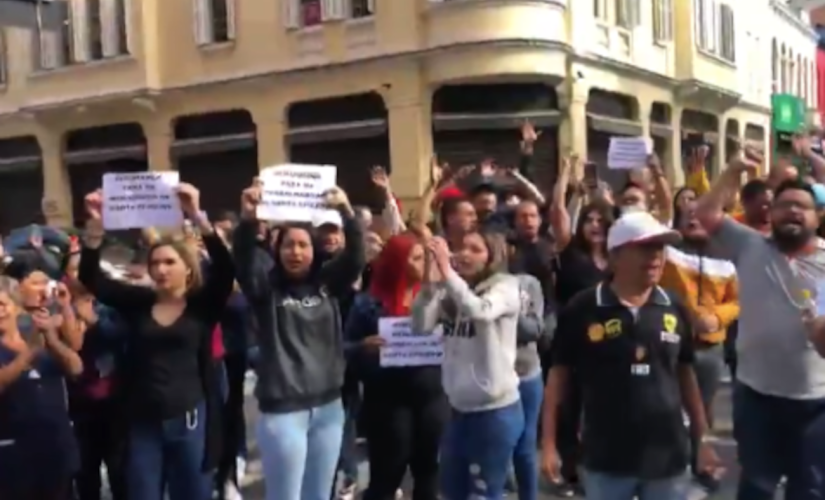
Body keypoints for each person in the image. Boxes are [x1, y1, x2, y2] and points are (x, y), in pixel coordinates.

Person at [541, 211, 721, 500]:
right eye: (644, 248)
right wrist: (549, 445)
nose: (655, 257)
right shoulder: (583, 307)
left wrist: (701, 440)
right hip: (605, 460)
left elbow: (686, 375)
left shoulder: (674, 305)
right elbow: (557, 379)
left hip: (668, 458)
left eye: (660, 248)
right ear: (614, 257)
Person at [78, 184, 235, 500]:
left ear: (188, 269)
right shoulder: (137, 303)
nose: (161, 270)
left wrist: (196, 214)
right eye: (155, 264)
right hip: (142, 425)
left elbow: (226, 269)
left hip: (190, 421)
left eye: (169, 263)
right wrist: (95, 225)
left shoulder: (202, 306)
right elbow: (91, 278)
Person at [696, 153, 825, 499]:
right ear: (771, 213)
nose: (793, 212)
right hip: (757, 396)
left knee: (810, 489)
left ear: (818, 217)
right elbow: (706, 214)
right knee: (757, 485)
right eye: (785, 205)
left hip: (815, 403)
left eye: (802, 206)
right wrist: (732, 170)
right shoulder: (751, 245)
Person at [233, 181, 364, 500]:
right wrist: (248, 221)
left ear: (314, 249)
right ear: (277, 251)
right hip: (283, 413)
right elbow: (243, 260)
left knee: (319, 495)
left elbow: (356, 257)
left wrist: (347, 212)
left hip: (329, 409)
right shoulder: (265, 289)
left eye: (303, 245)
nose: (296, 252)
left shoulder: (328, 283)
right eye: (288, 245)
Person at [412, 231, 524, 500]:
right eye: (461, 247)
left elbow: (480, 310)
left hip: (494, 412)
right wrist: (429, 285)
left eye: (475, 249)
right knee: (451, 491)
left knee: (483, 494)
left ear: (492, 256)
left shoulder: (506, 286)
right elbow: (420, 327)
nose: (464, 254)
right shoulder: (450, 288)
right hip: (458, 411)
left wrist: (448, 273)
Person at [346, 233, 448, 500]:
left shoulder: (436, 298)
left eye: (424, 257)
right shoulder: (368, 304)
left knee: (429, 472)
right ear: (396, 263)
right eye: (415, 258)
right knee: (387, 473)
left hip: (432, 399)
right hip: (388, 402)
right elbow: (345, 349)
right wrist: (363, 348)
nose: (423, 263)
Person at [661, 199, 739, 492]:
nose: (692, 218)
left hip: (709, 350)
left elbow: (736, 301)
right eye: (687, 214)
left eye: (698, 214)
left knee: (702, 412)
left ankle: (699, 463)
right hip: (672, 346)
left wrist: (717, 318)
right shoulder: (668, 254)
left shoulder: (728, 258)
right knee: (669, 408)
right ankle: (671, 466)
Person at [0, 275, 83, 500]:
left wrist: (52, 339)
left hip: (56, 449)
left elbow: (76, 368)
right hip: (13, 458)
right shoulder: (32, 347)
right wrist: (29, 353)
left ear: (17, 309)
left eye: (2, 305)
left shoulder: (39, 339)